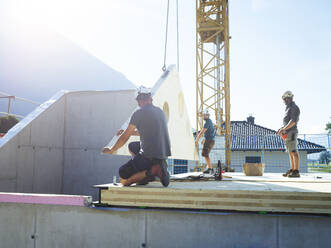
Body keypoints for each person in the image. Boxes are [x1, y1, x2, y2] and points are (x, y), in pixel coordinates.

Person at [102, 86, 171, 186]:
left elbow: (125, 137)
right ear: (150, 99)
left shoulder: (139, 113)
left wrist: (111, 149)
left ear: (139, 101)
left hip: (149, 155)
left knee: (123, 175)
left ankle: (151, 172)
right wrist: (129, 132)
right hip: (162, 155)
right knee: (133, 146)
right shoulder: (160, 112)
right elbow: (146, 131)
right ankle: (153, 169)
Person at [277, 91, 301, 178]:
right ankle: (292, 169)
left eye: (286, 99)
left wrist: (284, 129)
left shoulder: (294, 107)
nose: (284, 100)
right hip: (287, 132)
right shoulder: (288, 108)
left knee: (294, 151)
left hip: (292, 132)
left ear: (290, 98)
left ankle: (296, 171)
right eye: (284, 99)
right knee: (290, 152)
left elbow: (293, 121)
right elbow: (287, 122)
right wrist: (281, 129)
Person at [195, 109, 216, 174]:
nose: (204, 116)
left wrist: (196, 140)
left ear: (208, 115)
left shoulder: (207, 122)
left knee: (205, 154)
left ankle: (210, 168)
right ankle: (209, 168)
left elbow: (202, 132)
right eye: (204, 115)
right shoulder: (210, 122)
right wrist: (204, 139)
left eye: (205, 115)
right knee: (205, 154)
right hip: (209, 140)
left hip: (209, 140)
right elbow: (210, 132)